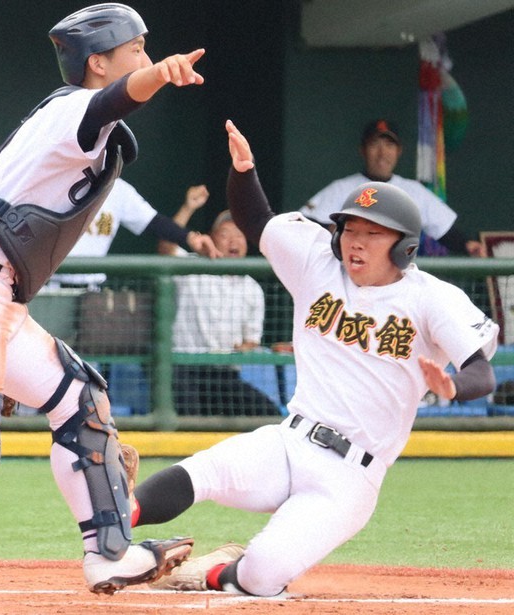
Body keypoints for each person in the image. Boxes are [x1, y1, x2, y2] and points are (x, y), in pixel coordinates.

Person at [0, 4, 201, 612]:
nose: (146, 58)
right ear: (99, 62)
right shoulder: (76, 107)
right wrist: (163, 74)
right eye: (137, 49)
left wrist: (150, 73)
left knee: (83, 404)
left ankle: (109, 552)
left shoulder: (83, 122)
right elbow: (111, 101)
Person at [125, 120, 498, 596]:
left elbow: (481, 372)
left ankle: (221, 569)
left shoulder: (432, 299)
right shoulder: (319, 260)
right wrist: (243, 172)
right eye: (350, 229)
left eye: (374, 233)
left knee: (260, 576)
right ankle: (114, 522)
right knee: (206, 471)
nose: (356, 241)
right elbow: (257, 220)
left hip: (348, 478)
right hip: (290, 440)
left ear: (405, 248)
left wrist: (451, 386)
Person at [300, 119, 481, 256]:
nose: (382, 153)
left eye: (389, 145)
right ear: (362, 150)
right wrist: (335, 231)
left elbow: (447, 233)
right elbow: (305, 225)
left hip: (398, 280)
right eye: (374, 144)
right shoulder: (341, 189)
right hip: (351, 278)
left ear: (398, 151)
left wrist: (469, 246)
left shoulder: (413, 191)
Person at [170, 210, 281, 416]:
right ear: (211, 239)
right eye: (225, 235)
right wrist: (188, 208)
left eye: (239, 235)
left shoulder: (252, 288)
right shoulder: (192, 266)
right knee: (190, 422)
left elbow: (251, 341)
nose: (233, 241)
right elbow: (166, 247)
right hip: (183, 369)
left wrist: (242, 349)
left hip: (224, 374)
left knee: (269, 413)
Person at [47, 178, 219, 289]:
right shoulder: (51, 181)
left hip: (91, 290)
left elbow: (153, 222)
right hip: (49, 289)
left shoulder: (117, 189)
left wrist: (190, 237)